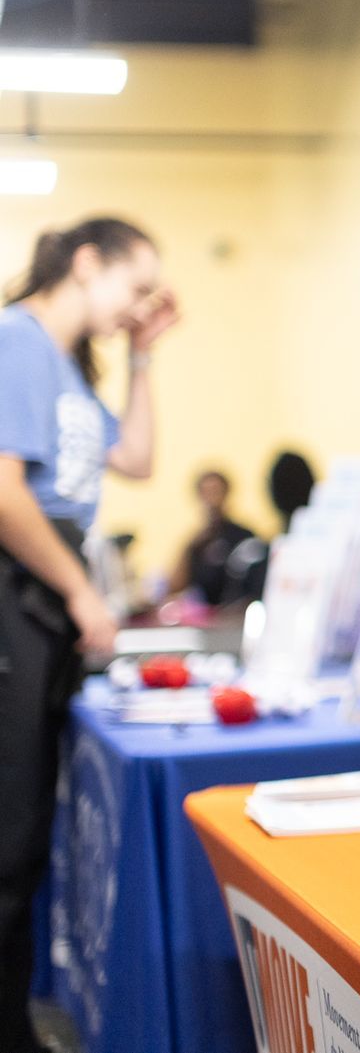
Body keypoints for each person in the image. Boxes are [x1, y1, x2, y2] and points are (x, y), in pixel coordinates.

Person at [0, 217, 176, 1051]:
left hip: (48, 599)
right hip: (22, 595)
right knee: (7, 839)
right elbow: (4, 493)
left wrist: (144, 351)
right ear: (85, 262)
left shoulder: (68, 366)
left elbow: (137, 457)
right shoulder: (17, 339)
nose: (138, 303)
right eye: (134, 285)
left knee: (27, 837)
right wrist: (81, 593)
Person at [171, 469, 256, 605]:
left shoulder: (244, 536)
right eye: (206, 492)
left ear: (226, 493)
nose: (212, 499)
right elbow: (175, 586)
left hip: (234, 616)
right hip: (205, 618)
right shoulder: (197, 543)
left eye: (216, 491)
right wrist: (190, 548)